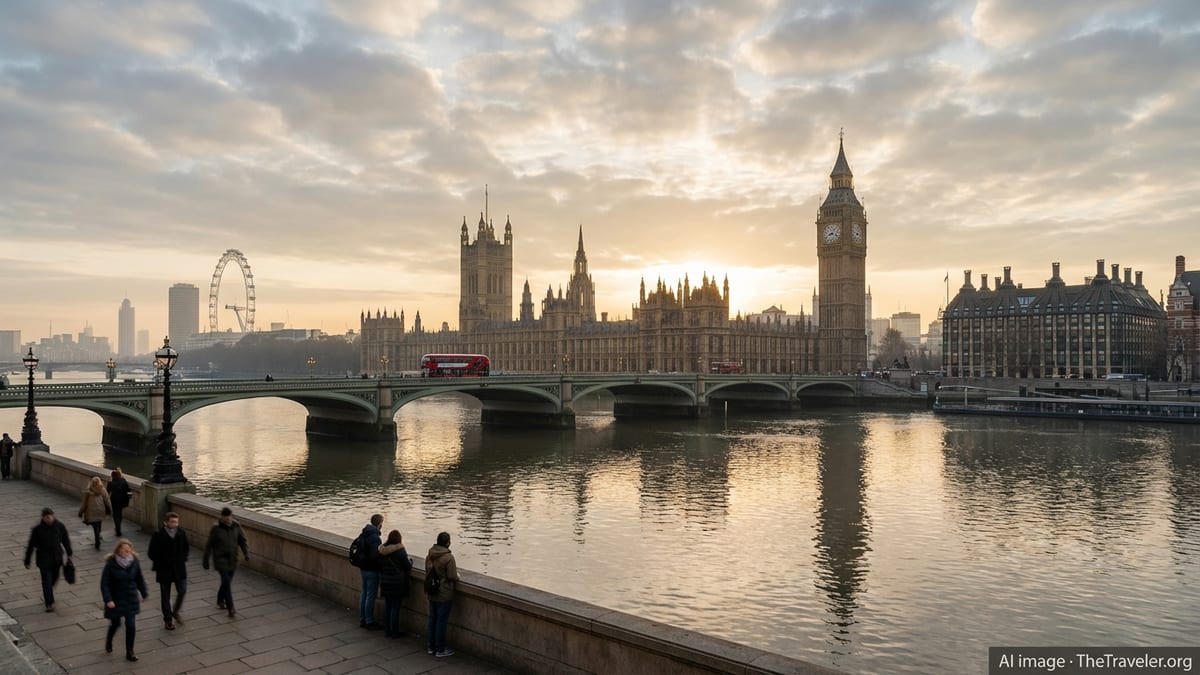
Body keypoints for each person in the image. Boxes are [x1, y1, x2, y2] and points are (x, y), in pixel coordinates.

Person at [100, 538, 149, 662]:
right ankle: (109, 640)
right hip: (115, 599)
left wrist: (143, 593)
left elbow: (139, 578)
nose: (127, 551)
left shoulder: (134, 562)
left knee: (131, 625)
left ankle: (130, 652)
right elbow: (104, 583)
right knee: (116, 623)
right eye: (124, 550)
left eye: (129, 549)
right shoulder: (111, 564)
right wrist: (108, 599)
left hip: (130, 597)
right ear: (118, 550)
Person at [202, 507, 249, 617]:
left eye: (229, 517)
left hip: (233, 558)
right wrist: (206, 560)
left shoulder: (236, 526)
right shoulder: (216, 528)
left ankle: (220, 599)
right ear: (222, 517)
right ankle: (231, 607)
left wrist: (246, 553)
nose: (228, 519)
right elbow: (209, 545)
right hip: (220, 559)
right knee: (226, 582)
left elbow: (242, 540)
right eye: (225, 517)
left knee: (226, 582)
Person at [24, 507, 73, 611]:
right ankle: (49, 603)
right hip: (43, 559)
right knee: (46, 581)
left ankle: (49, 590)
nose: (49, 519)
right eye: (47, 517)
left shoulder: (60, 526)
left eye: (50, 516)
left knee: (54, 579)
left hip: (57, 558)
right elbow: (31, 545)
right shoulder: (37, 530)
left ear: (53, 515)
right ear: (43, 517)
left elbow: (65, 540)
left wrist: (69, 552)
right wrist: (27, 560)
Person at [147, 511, 189, 630]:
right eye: (172, 522)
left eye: (176, 522)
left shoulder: (181, 533)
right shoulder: (158, 535)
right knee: (165, 596)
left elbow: (186, 548)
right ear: (165, 522)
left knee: (182, 590)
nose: (175, 524)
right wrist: (160, 562)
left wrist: (183, 558)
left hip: (179, 568)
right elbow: (151, 553)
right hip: (164, 570)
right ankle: (168, 620)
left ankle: (175, 610)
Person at [425, 531, 460, 658]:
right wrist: (457, 576)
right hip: (444, 593)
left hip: (431, 591)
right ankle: (440, 649)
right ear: (447, 542)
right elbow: (451, 576)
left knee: (432, 619)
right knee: (441, 622)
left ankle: (431, 646)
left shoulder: (430, 554)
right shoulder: (448, 557)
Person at [378, 529, 413, 638]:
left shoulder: (381, 550)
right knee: (395, 607)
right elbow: (407, 566)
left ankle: (387, 630)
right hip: (397, 583)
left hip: (385, 581)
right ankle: (394, 631)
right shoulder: (400, 550)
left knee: (388, 606)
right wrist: (411, 561)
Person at [357, 513, 385, 630]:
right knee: (370, 595)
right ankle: (369, 620)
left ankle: (362, 618)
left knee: (364, 593)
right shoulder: (375, 537)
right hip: (371, 570)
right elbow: (375, 555)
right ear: (379, 524)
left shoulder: (364, 533)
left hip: (363, 568)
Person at [78, 476, 113, 550]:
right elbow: (107, 500)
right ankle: (98, 536)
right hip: (100, 510)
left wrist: (80, 512)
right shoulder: (102, 489)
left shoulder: (88, 491)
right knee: (99, 523)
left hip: (91, 512)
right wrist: (110, 509)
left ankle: (97, 539)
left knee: (95, 526)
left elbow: (84, 503)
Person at [106, 468, 132, 537]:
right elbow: (128, 489)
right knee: (119, 513)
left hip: (114, 500)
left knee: (115, 515)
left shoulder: (111, 482)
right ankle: (118, 527)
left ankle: (118, 529)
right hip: (122, 500)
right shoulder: (123, 481)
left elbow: (107, 491)